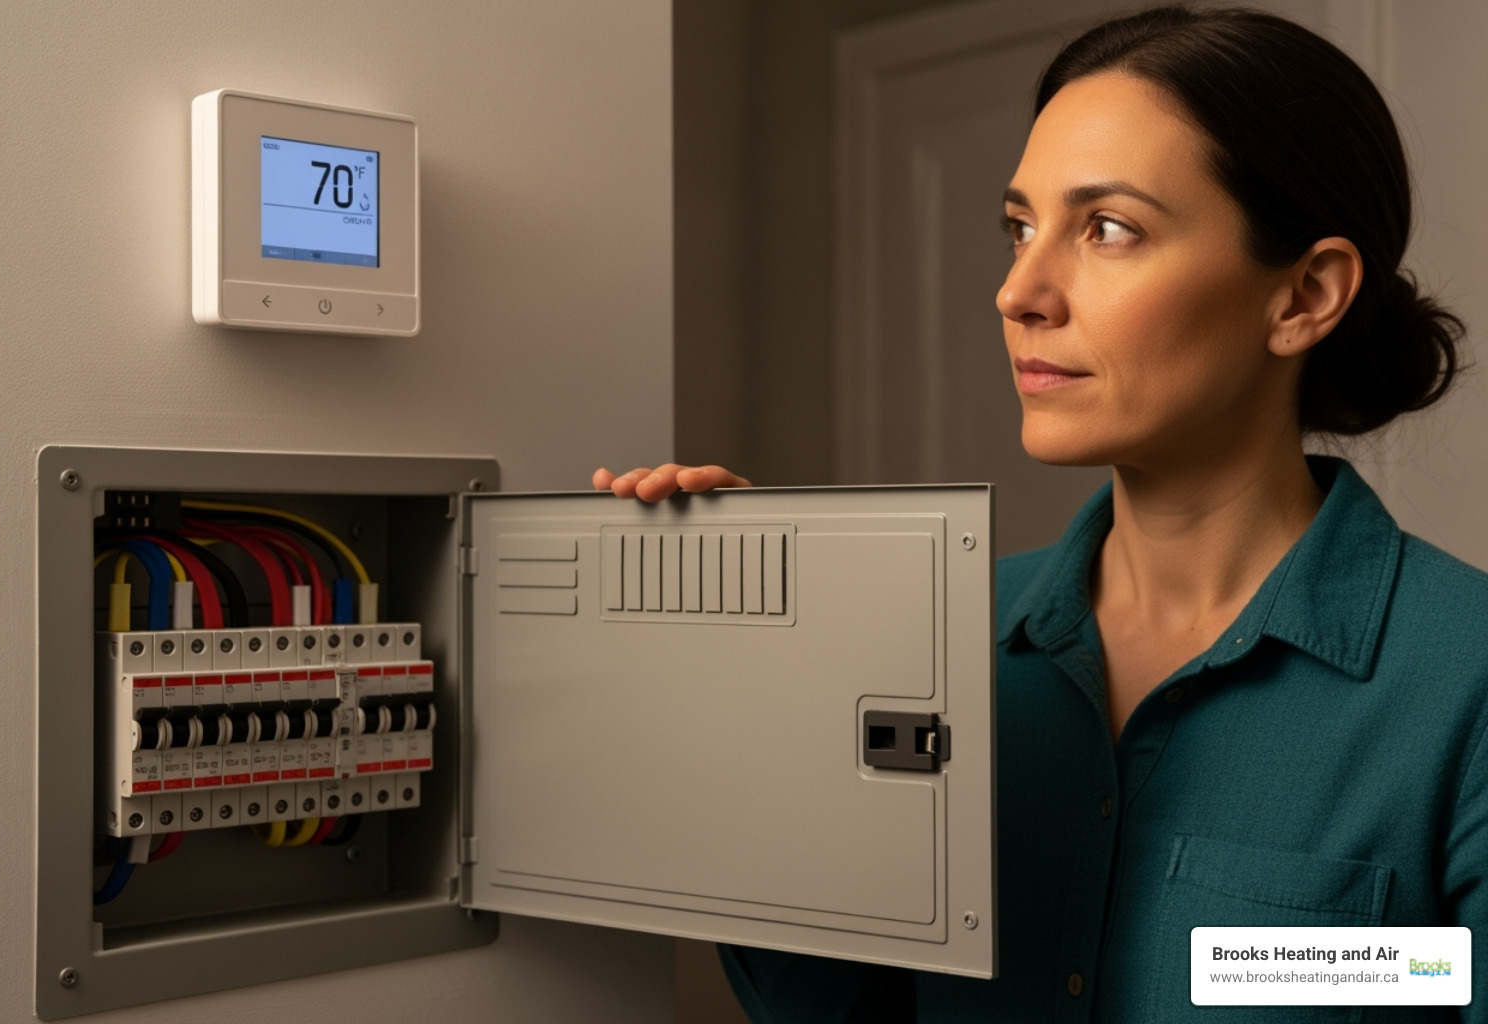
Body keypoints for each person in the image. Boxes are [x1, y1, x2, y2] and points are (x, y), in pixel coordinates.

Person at [597, 6, 1487, 1021]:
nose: (1018, 290)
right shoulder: (919, 644)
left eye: (1108, 229)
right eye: (1022, 227)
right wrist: (792, 695)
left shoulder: (1468, 686)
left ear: (1303, 296)